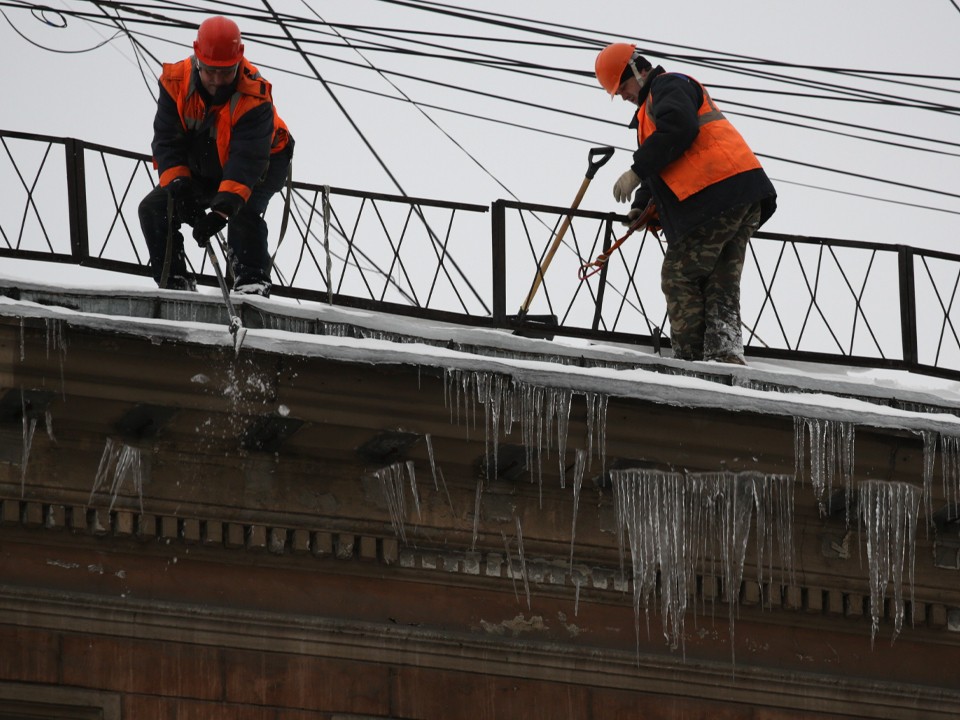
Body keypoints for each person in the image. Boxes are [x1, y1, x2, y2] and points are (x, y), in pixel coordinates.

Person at [594, 43, 776, 365]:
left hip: (717, 193)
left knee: (678, 275)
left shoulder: (668, 85)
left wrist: (635, 170)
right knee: (721, 282)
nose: (621, 96)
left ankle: (689, 365)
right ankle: (724, 357)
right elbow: (665, 160)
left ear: (639, 71)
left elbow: (679, 129)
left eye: (622, 87)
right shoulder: (655, 108)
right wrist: (642, 206)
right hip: (744, 192)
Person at [139, 15, 293, 297]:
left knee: (242, 210)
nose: (217, 80)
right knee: (154, 208)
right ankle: (174, 284)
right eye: (210, 71)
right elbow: (167, 141)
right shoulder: (175, 82)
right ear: (197, 59)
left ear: (239, 61)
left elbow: (246, 162)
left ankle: (252, 283)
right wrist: (180, 187)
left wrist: (220, 212)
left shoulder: (254, 97)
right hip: (207, 160)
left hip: (265, 161)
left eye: (226, 72)